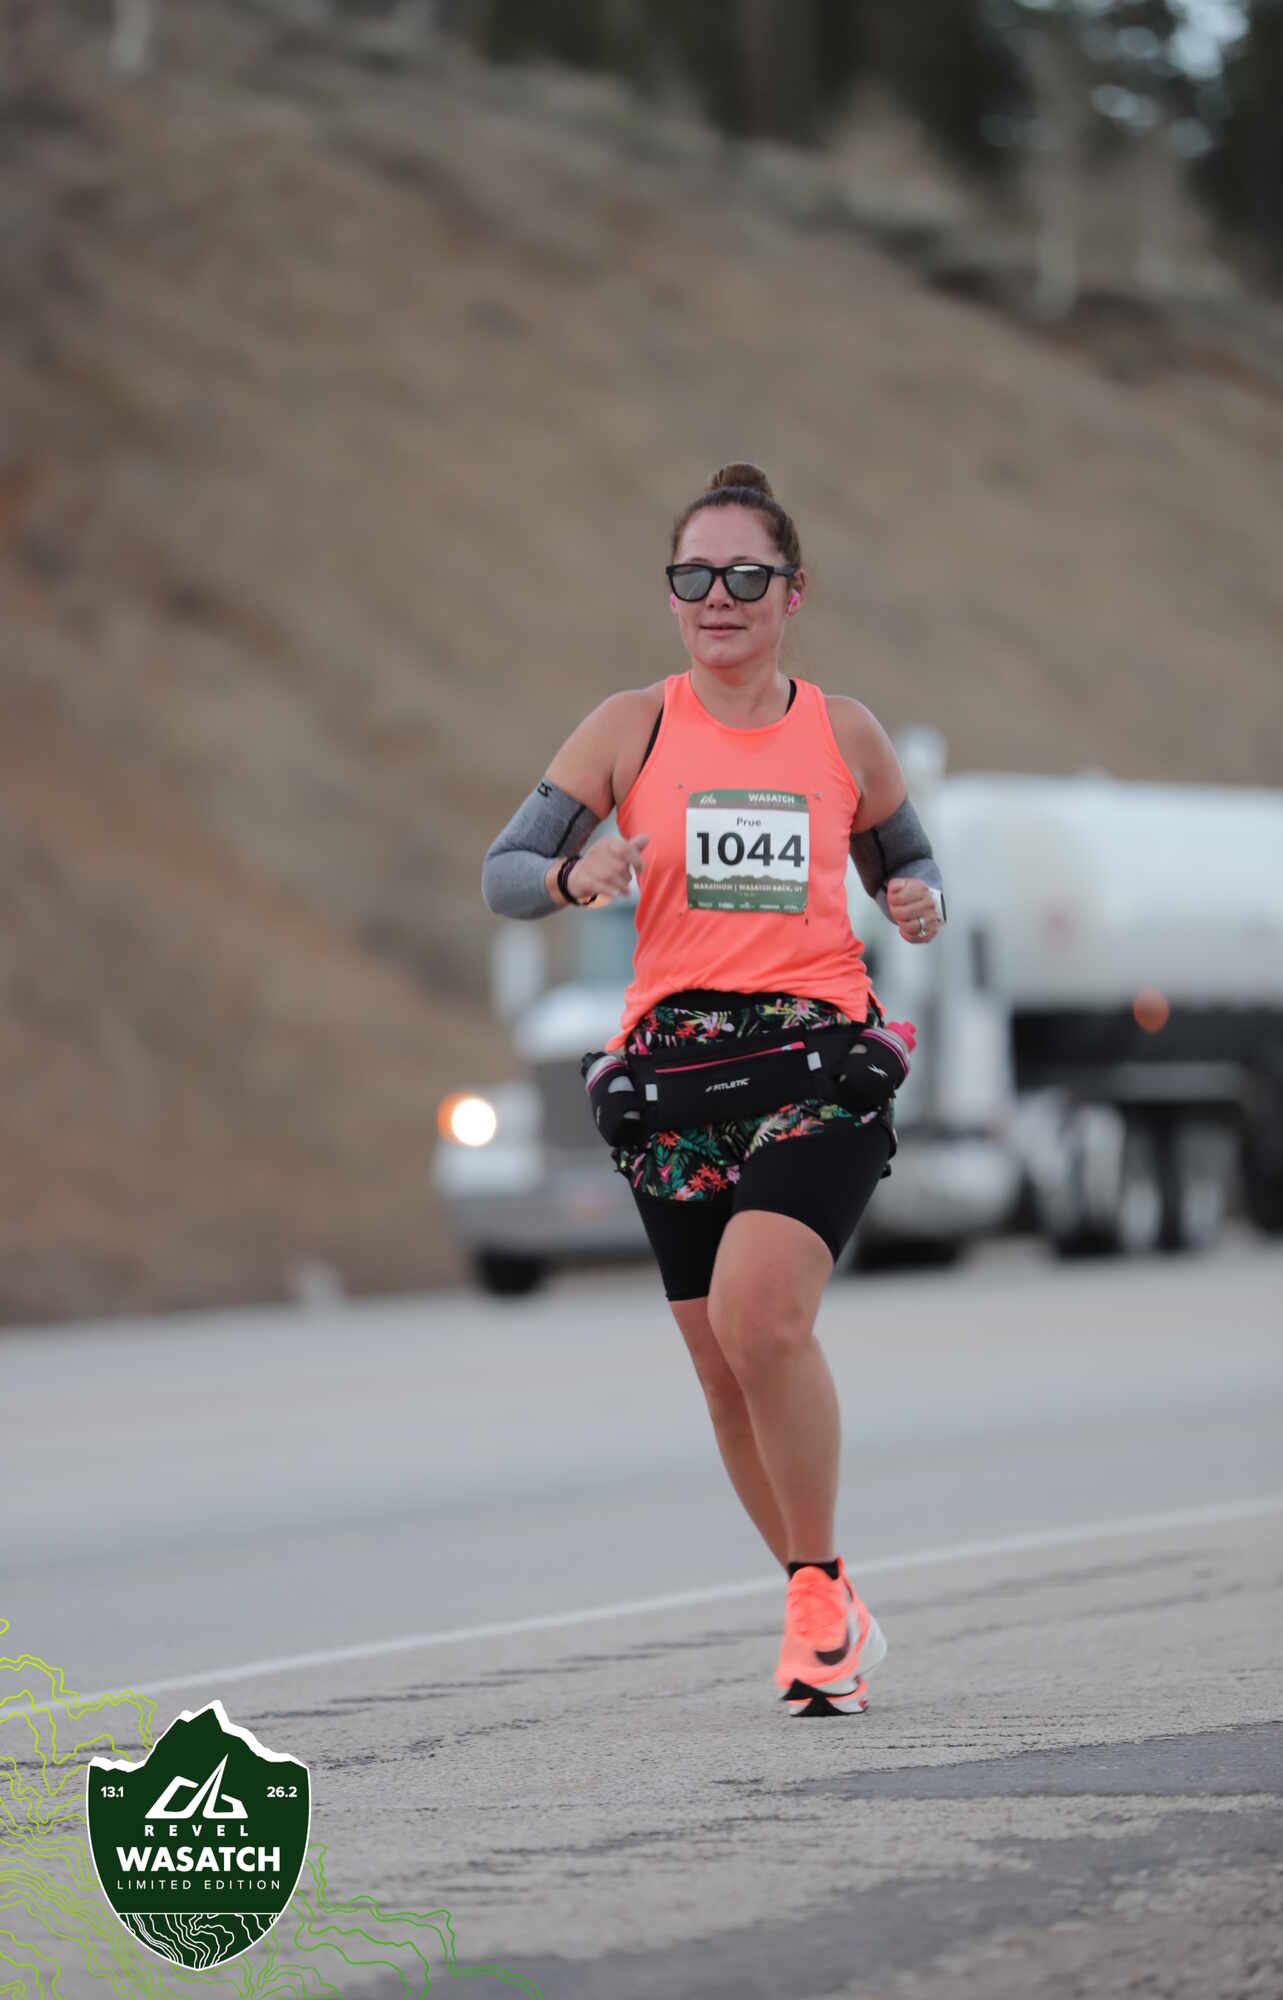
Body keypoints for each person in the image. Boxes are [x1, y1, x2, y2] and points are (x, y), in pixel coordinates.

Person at [482, 463, 946, 1717]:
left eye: (745, 573)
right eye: (694, 574)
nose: (718, 596)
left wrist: (915, 897)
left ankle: (815, 1611)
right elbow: (504, 869)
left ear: (793, 592)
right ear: (672, 592)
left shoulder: (843, 731)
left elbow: (907, 858)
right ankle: (822, 1592)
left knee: (760, 1314)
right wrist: (575, 876)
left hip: (817, 1058)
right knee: (721, 1367)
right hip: (675, 1077)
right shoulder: (629, 727)